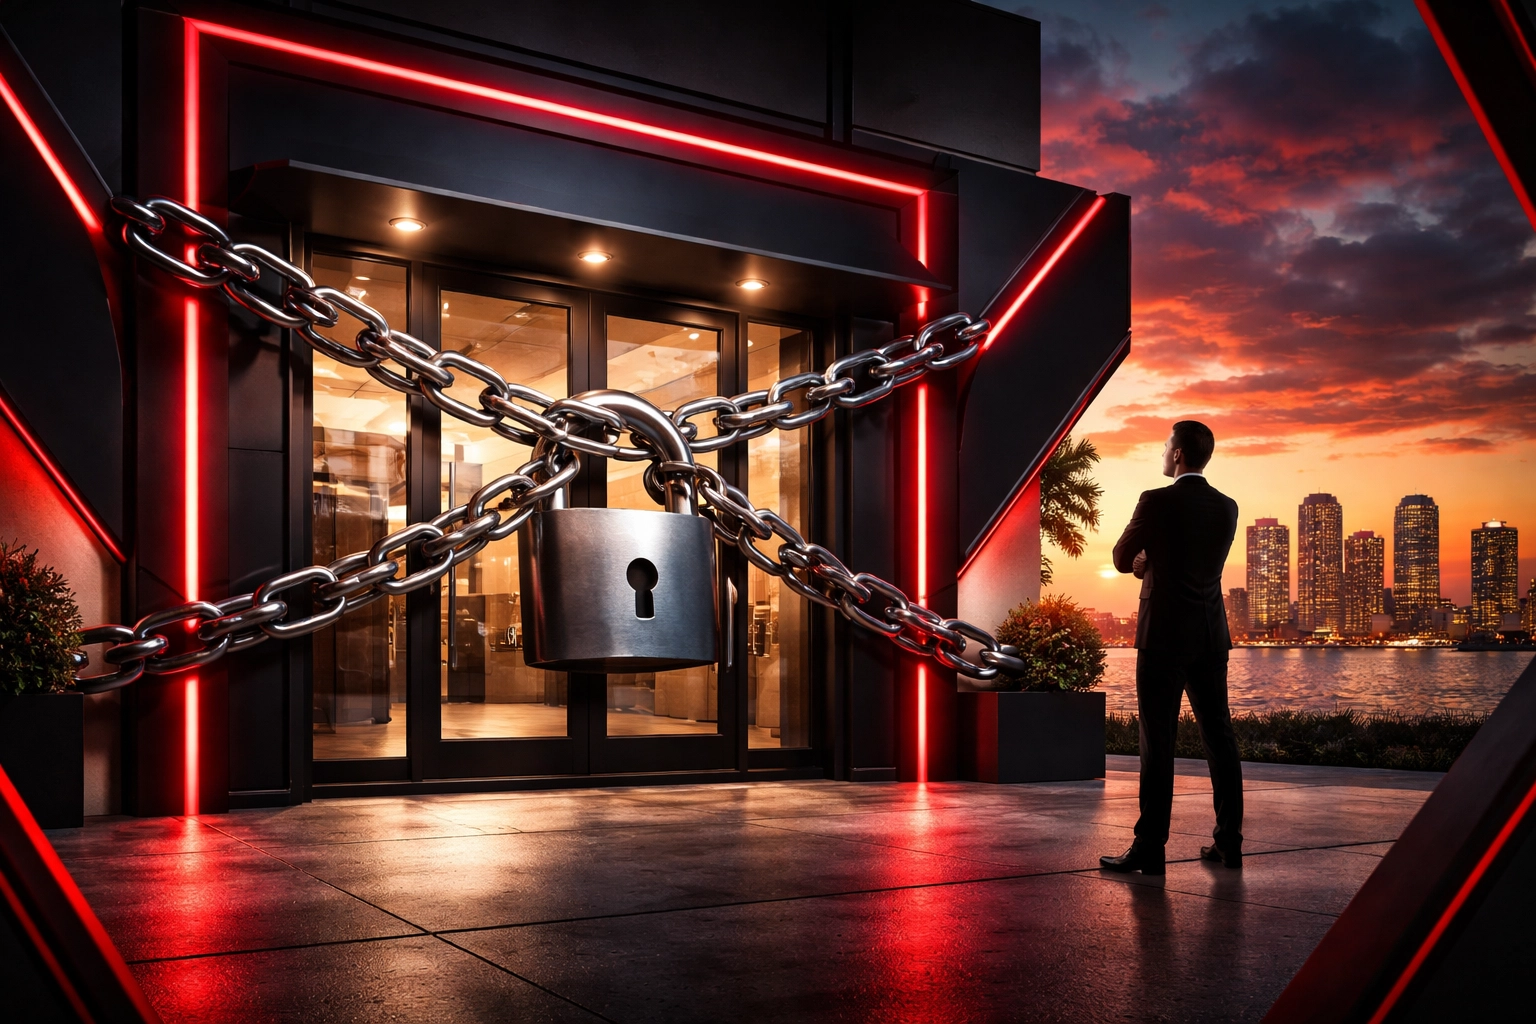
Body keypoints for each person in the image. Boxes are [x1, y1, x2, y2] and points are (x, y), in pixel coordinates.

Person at [1099, 420, 1243, 875]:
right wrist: (1155, 558)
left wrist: (1146, 561)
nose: (1162, 452)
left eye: (1165, 446)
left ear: (1178, 454)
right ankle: (1229, 843)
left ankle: (1150, 847)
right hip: (1210, 635)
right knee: (1219, 737)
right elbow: (1197, 558)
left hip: (1162, 637)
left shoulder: (1155, 500)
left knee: (1158, 742)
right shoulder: (1227, 507)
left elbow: (1121, 557)